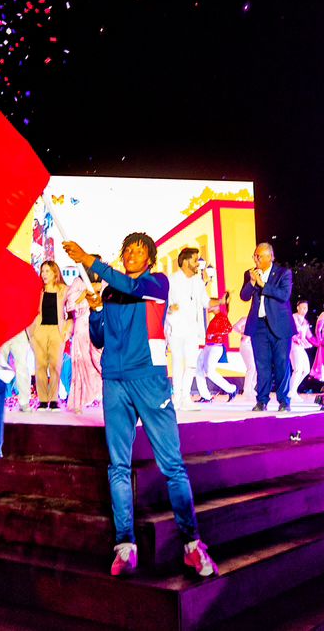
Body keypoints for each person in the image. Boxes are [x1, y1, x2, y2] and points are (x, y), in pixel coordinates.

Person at [62, 235, 216, 579]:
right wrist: (98, 311)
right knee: (118, 465)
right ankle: (125, 545)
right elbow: (100, 338)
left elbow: (129, 285)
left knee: (172, 465)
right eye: (127, 250)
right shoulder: (111, 291)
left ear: (150, 257)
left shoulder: (155, 283)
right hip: (114, 382)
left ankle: (191, 543)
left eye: (138, 250)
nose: (131, 254)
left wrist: (89, 259)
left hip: (149, 380)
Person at [239, 243, 296, 412]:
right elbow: (244, 296)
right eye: (255, 255)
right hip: (259, 326)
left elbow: (283, 295)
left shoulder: (283, 273)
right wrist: (251, 282)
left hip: (280, 326)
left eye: (260, 256)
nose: (256, 259)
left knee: (281, 364)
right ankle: (261, 401)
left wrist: (262, 284)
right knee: (261, 365)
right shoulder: (250, 273)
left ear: (271, 256)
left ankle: (284, 401)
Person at [166, 248, 211, 413]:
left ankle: (186, 397)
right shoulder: (171, 280)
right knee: (178, 363)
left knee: (191, 364)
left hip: (192, 330)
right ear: (185, 262)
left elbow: (206, 302)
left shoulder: (198, 281)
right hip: (176, 328)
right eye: (195, 260)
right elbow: (164, 305)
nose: (197, 264)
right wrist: (170, 308)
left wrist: (220, 301)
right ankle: (176, 398)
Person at [32, 261, 71, 410]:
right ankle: (42, 400)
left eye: (47, 271)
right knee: (40, 366)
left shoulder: (64, 290)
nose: (44, 274)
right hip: (40, 331)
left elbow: (72, 309)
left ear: (55, 273)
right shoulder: (38, 290)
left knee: (56, 366)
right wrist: (32, 333)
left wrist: (68, 329)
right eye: (42, 271)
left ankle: (54, 399)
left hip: (57, 331)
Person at [67, 274, 103, 413]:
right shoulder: (78, 282)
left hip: (100, 323)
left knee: (100, 360)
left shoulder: (103, 281)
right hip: (82, 325)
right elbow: (70, 304)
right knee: (82, 361)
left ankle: (102, 395)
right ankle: (79, 401)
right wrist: (85, 292)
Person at [194, 293, 237, 403]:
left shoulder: (221, 316)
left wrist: (216, 334)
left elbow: (228, 328)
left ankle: (231, 389)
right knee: (198, 368)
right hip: (208, 346)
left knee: (210, 371)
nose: (208, 307)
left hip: (215, 347)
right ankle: (205, 395)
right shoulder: (215, 318)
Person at [288, 302, 313, 402]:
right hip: (293, 345)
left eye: (305, 308)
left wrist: (319, 343)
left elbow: (309, 335)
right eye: (302, 308)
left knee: (306, 370)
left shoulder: (305, 322)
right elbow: (290, 330)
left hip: (301, 346)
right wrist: (295, 338)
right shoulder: (292, 317)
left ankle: (292, 390)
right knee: (298, 369)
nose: (304, 310)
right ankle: (291, 392)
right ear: (297, 307)